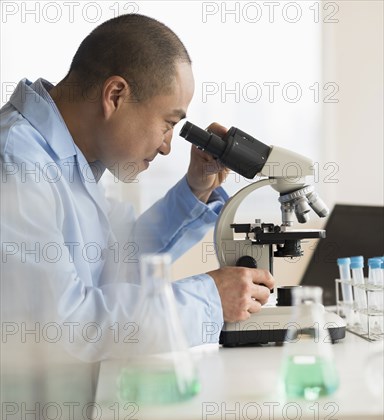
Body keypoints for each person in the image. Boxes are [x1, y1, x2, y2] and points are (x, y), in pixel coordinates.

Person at [1, 14, 274, 367]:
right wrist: (209, 298)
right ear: (115, 95)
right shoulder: (17, 162)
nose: (166, 147)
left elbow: (116, 261)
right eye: (168, 123)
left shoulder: (70, 158)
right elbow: (68, 328)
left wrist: (196, 188)